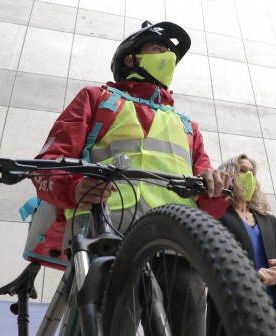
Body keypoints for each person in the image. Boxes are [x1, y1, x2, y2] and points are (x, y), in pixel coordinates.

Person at [33, 21, 228, 336]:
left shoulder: (187, 125)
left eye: (171, 53)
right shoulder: (98, 98)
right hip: (106, 237)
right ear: (131, 60)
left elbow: (208, 203)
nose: (168, 57)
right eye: (158, 49)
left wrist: (216, 188)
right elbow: (48, 163)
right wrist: (76, 187)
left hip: (177, 246)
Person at [206, 154, 276, 336]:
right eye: (242, 170)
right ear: (228, 175)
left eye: (252, 173)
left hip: (275, 316)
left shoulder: (268, 220)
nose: (248, 176)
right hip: (235, 316)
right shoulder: (217, 216)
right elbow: (210, 268)